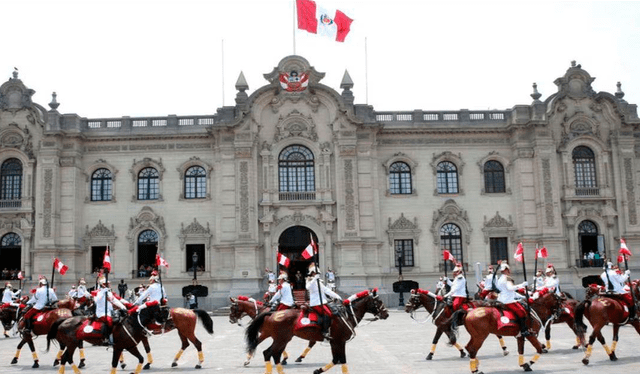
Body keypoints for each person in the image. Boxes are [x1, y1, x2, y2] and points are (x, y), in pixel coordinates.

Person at [306, 264, 342, 339]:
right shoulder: (309, 280)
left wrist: (336, 296)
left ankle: (329, 329)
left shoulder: (319, 281)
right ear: (312, 273)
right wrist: (314, 279)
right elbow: (308, 287)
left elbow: (326, 290)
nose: (317, 275)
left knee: (331, 313)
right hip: (316, 302)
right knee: (327, 314)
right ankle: (324, 332)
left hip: (322, 301)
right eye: (316, 273)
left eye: (318, 273)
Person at [495, 262, 530, 337]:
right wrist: (522, 285)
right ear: (506, 270)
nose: (509, 271)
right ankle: (523, 330)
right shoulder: (507, 278)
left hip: (502, 299)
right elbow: (510, 288)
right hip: (509, 300)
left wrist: (522, 297)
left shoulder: (500, 278)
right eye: (508, 269)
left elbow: (510, 291)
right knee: (522, 312)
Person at [93, 276, 127, 345]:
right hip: (101, 312)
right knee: (109, 321)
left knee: (119, 319)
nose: (109, 284)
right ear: (103, 284)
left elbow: (114, 300)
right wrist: (102, 292)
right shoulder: (98, 292)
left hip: (109, 311)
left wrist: (123, 307)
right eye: (107, 283)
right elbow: (96, 301)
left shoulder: (109, 292)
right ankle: (107, 338)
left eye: (108, 283)